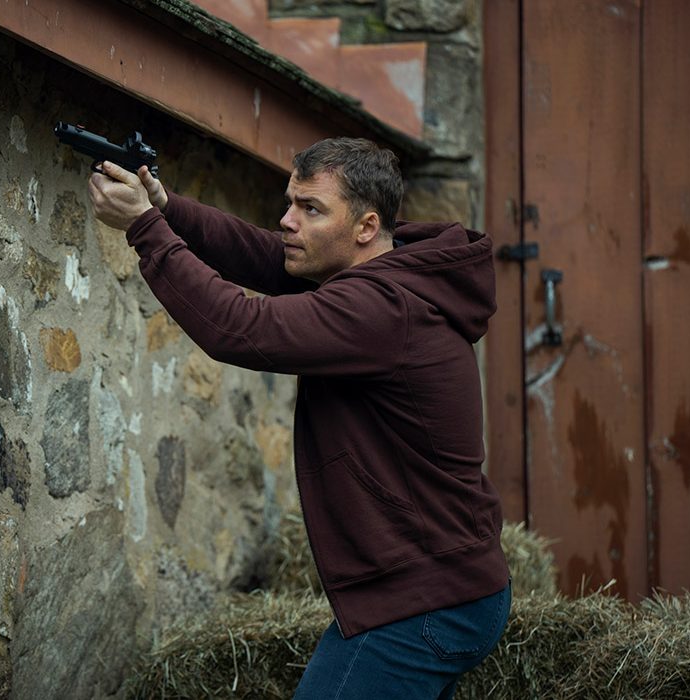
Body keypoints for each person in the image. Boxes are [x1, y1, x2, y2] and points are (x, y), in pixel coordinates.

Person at [87, 136, 511, 699]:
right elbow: (264, 255)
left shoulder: (380, 309)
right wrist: (167, 208)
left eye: (310, 209)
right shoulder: (387, 270)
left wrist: (143, 229)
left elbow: (240, 328)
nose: (288, 221)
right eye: (290, 201)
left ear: (365, 226)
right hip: (445, 587)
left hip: (423, 602)